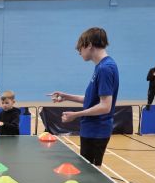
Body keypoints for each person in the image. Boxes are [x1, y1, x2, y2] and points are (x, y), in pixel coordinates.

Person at [48, 27, 119, 167]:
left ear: (89, 45)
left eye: (80, 48)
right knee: (88, 172)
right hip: (91, 129)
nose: (79, 53)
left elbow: (105, 106)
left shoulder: (105, 68)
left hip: (96, 131)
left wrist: (76, 115)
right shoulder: (101, 66)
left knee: (91, 174)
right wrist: (66, 96)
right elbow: (91, 99)